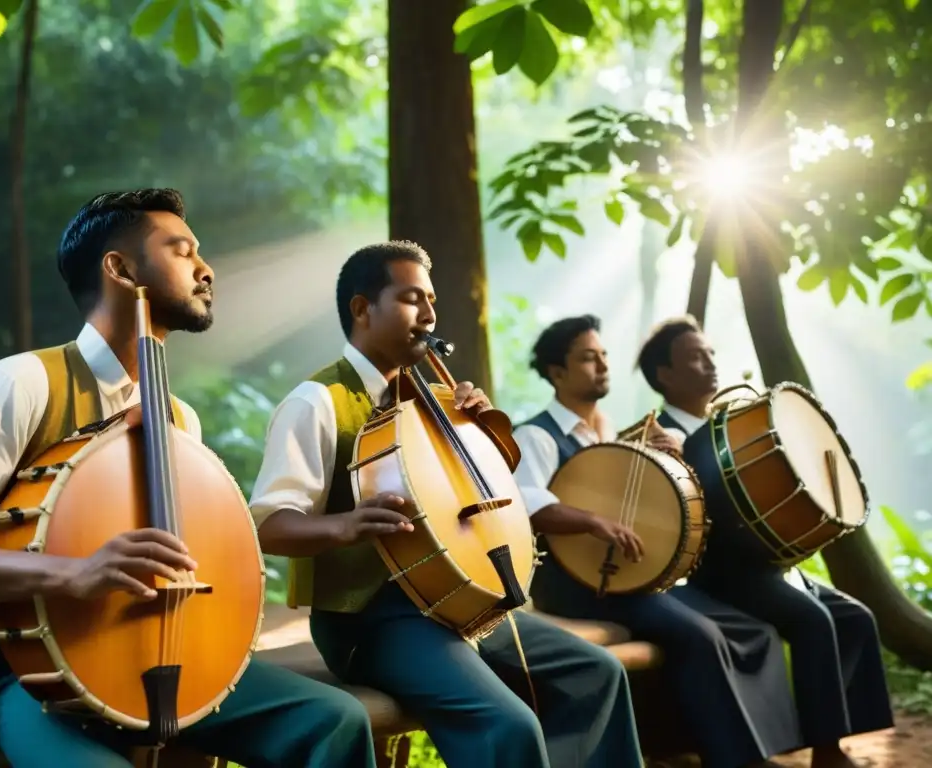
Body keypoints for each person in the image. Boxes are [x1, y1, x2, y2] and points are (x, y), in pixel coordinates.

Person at [0, 189, 376, 768]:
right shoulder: (21, 383)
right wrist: (73, 573)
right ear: (120, 269)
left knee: (334, 722)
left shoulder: (180, 418)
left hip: (162, 653)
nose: (205, 269)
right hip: (32, 673)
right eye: (181, 251)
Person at [249, 241, 643, 768]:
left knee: (597, 673)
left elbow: (476, 502)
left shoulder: (434, 401)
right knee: (508, 725)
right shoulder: (315, 402)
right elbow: (269, 525)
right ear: (362, 309)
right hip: (372, 621)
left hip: (462, 602)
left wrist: (480, 433)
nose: (431, 315)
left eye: (432, 300)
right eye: (413, 299)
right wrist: (346, 525)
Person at [513, 314, 802, 768]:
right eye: (588, 358)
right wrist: (592, 521)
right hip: (573, 587)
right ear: (556, 372)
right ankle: (732, 758)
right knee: (698, 634)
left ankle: (693, 747)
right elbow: (531, 507)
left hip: (623, 578)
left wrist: (664, 456)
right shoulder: (535, 436)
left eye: (604, 356)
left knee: (741, 626)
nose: (602, 365)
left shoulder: (609, 433)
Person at [637, 315, 895, 768]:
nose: (709, 365)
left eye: (711, 354)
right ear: (665, 375)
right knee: (813, 621)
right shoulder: (660, 437)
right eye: (695, 358)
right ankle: (827, 751)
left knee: (855, 617)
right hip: (718, 571)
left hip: (763, 563)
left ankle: (839, 734)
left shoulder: (729, 425)